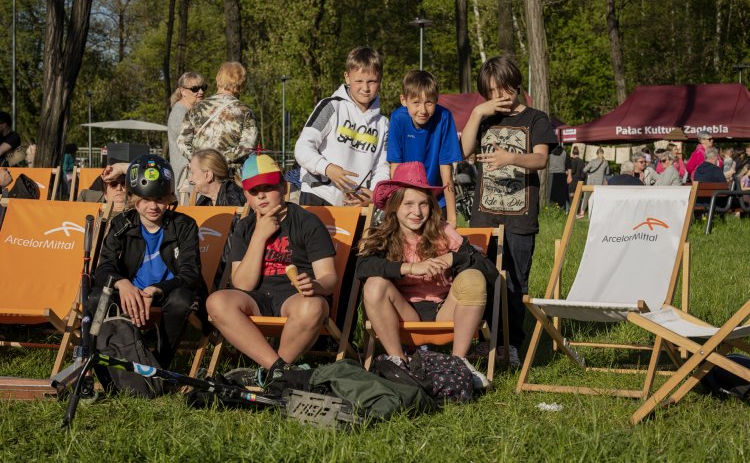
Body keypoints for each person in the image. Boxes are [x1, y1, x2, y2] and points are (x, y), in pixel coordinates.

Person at [355, 161, 496, 389]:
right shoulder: (384, 235)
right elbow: (362, 268)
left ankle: (459, 364)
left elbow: (490, 271)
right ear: (394, 205)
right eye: (408, 204)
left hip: (444, 310)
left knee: (474, 278)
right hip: (403, 311)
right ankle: (398, 362)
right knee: (374, 284)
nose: (417, 212)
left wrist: (452, 258)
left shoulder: (443, 231)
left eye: (423, 204)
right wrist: (410, 268)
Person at [459, 56, 557, 367]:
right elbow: (463, 151)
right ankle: (484, 341)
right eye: (491, 91)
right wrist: (477, 113)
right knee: (479, 278)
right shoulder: (484, 118)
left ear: (515, 84)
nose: (499, 96)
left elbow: (541, 159)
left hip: (520, 215)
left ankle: (511, 344)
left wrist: (509, 159)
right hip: (484, 215)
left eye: (503, 88)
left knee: (515, 282)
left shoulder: (536, 119)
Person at [206, 154, 337, 383]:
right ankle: (278, 371)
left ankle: (269, 375)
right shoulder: (246, 227)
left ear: (284, 186)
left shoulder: (307, 222)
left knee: (314, 306)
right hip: (257, 297)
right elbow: (243, 284)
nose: (261, 196)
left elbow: (329, 278)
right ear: (246, 195)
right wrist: (259, 236)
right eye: (254, 191)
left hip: (295, 297)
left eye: (268, 187)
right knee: (216, 301)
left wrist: (315, 285)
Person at [88, 155, 206, 368]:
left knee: (181, 299)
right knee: (97, 296)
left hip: (167, 292)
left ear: (169, 198)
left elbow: (191, 274)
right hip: (130, 292)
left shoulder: (184, 226)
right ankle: (109, 363)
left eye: (160, 199)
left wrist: (157, 289)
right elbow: (104, 268)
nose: (153, 206)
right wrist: (122, 283)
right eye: (146, 199)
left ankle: (161, 365)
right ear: (134, 198)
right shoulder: (121, 224)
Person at [294, 46, 389, 207]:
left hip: (356, 204)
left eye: (372, 81)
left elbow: (382, 168)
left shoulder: (383, 124)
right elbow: (302, 148)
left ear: (380, 80)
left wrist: (373, 194)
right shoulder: (330, 107)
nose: (365, 88)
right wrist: (327, 168)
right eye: (358, 81)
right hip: (318, 195)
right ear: (347, 77)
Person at [386, 70, 463, 226]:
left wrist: (452, 218)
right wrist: (396, 209)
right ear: (404, 100)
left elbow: (446, 171)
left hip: (437, 200)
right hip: (407, 200)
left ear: (436, 100)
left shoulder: (444, 117)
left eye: (429, 103)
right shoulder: (398, 118)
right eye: (416, 103)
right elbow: (395, 168)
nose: (423, 110)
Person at [177, 62, 258, 176]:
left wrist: (199, 161)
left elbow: (182, 142)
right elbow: (247, 146)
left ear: (218, 79)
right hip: (229, 175)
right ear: (242, 83)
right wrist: (220, 161)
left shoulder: (197, 108)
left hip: (200, 174)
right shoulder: (245, 111)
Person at [168, 72, 207, 190]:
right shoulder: (179, 113)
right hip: (185, 179)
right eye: (195, 89)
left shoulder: (190, 112)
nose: (201, 92)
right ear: (183, 91)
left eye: (203, 87)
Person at [578, 147, 609, 218]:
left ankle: (582, 213)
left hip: (590, 182)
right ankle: (596, 213)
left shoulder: (592, 161)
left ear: (596, 154)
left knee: (586, 197)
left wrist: (590, 170)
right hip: (599, 183)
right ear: (603, 153)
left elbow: (584, 170)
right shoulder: (605, 162)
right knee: (597, 198)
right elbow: (607, 172)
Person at [547, 144, 570, 209]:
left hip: (551, 175)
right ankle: (561, 210)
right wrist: (569, 175)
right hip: (562, 175)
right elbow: (569, 165)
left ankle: (551, 209)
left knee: (551, 195)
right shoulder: (565, 153)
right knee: (561, 195)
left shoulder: (549, 153)